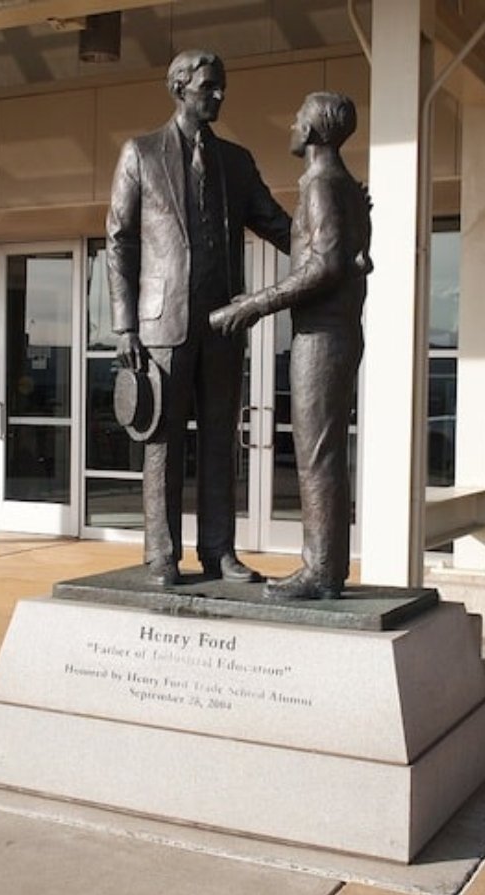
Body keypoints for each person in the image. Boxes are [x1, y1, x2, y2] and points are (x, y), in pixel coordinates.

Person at [107, 49, 291, 588]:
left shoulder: (236, 162)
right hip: (161, 325)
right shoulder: (141, 153)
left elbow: (277, 224)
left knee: (219, 441)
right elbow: (119, 239)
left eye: (221, 85)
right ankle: (162, 553)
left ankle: (219, 551)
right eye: (209, 85)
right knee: (162, 442)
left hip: (223, 325)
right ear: (179, 88)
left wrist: (329, 242)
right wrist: (125, 325)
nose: (219, 94)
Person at [210, 91, 371, 600]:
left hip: (322, 337)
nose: (291, 126)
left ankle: (319, 571)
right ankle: (327, 570)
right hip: (335, 332)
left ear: (315, 130)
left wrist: (253, 305)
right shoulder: (341, 186)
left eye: (298, 118)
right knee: (324, 453)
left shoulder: (323, 185)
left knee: (316, 454)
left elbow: (324, 267)